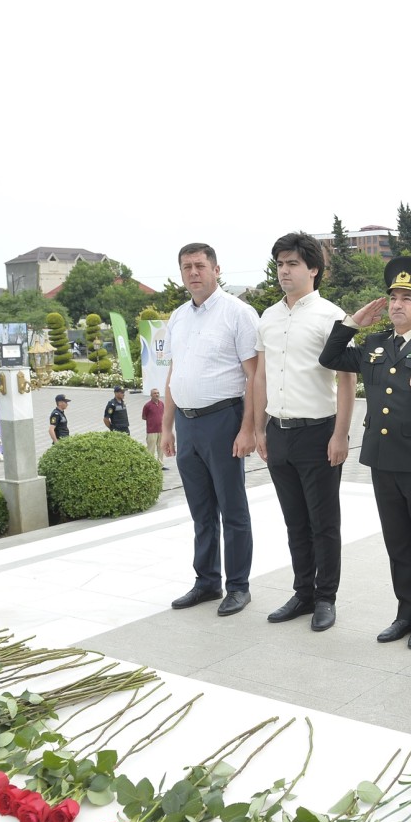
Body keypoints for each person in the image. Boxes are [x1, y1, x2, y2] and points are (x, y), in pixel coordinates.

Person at [318, 256, 411, 649]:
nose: (397, 304)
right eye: (393, 298)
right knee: (397, 541)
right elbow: (330, 357)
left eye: (407, 298)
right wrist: (352, 322)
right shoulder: (374, 345)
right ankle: (405, 612)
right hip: (383, 461)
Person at [253, 232, 355, 632]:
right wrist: (260, 426)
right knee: (294, 520)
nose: (284, 271)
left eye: (292, 263)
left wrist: (341, 434)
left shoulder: (331, 316)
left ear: (313, 269)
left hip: (319, 431)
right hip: (279, 431)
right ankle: (303, 592)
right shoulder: (268, 316)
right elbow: (261, 374)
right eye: (280, 263)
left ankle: (326, 597)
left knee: (323, 522)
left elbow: (345, 381)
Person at [161, 243, 260, 616]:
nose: (193, 273)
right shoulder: (178, 317)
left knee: (232, 509)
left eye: (200, 265)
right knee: (201, 510)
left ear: (216, 269)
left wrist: (249, 428)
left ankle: (238, 585)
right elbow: (175, 372)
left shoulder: (238, 313)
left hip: (224, 420)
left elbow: (254, 376)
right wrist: (167, 426)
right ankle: (206, 581)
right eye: (186, 267)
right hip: (187, 423)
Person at [142, 388, 166, 469]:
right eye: (155, 393)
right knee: (151, 448)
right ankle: (150, 465)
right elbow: (144, 417)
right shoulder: (147, 405)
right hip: (152, 430)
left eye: (158, 393)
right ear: (151, 395)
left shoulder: (162, 404)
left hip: (161, 430)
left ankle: (160, 465)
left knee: (161, 448)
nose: (157, 394)